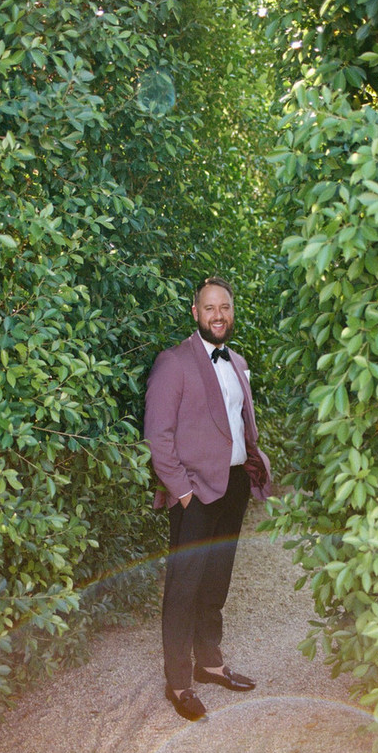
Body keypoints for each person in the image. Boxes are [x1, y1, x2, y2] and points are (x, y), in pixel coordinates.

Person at [144, 276, 271, 721]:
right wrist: (182, 493)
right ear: (195, 312)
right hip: (194, 492)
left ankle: (210, 663)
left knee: (216, 581)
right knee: (184, 587)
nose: (219, 315)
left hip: (233, 485)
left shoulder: (237, 360)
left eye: (226, 307)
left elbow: (238, 425)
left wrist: (254, 463)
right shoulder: (173, 362)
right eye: (210, 308)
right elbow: (158, 436)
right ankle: (179, 683)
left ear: (232, 312)